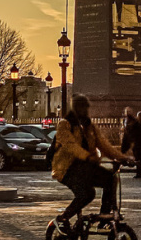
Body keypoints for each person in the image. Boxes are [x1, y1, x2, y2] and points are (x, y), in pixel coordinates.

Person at [52, 94, 130, 232]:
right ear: (76, 108)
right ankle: (63, 218)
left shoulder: (90, 127)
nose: (85, 110)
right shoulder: (65, 124)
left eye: (86, 107)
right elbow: (71, 146)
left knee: (110, 179)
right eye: (82, 107)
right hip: (67, 169)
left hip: (86, 168)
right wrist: (87, 157)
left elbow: (104, 145)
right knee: (86, 194)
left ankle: (104, 217)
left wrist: (123, 158)